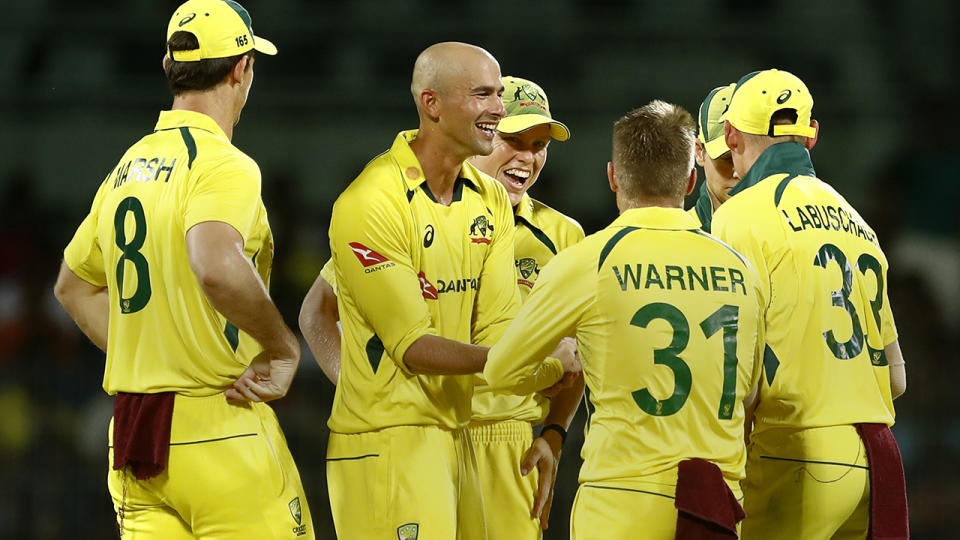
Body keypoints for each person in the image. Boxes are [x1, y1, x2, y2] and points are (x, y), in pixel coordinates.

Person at [52, 1, 314, 538]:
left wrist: (153, 358)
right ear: (242, 68)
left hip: (133, 434)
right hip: (219, 422)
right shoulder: (224, 164)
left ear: (171, 67)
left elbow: (73, 287)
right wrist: (284, 349)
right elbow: (216, 264)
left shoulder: (128, 165)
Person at [301, 75, 585, 537]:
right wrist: (364, 390)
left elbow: (575, 351)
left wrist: (554, 433)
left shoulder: (564, 236)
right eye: (513, 140)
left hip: (508, 442)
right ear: (484, 135)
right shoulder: (410, 209)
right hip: (422, 431)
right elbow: (317, 312)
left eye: (539, 145)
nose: (528, 158)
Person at [484, 100, 766, 540]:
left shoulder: (587, 261)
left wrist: (561, 363)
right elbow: (749, 394)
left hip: (620, 501)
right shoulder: (741, 269)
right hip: (716, 501)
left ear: (614, 176)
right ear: (691, 180)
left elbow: (500, 371)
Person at [712, 68, 908, 539]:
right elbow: (898, 378)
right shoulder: (858, 220)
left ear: (731, 134)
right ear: (812, 136)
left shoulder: (739, 214)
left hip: (795, 452)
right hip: (877, 461)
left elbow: (733, 370)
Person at [688, 83, 738, 232]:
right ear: (699, 152)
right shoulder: (679, 238)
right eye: (727, 158)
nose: (739, 172)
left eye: (753, 160)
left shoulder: (788, 230)